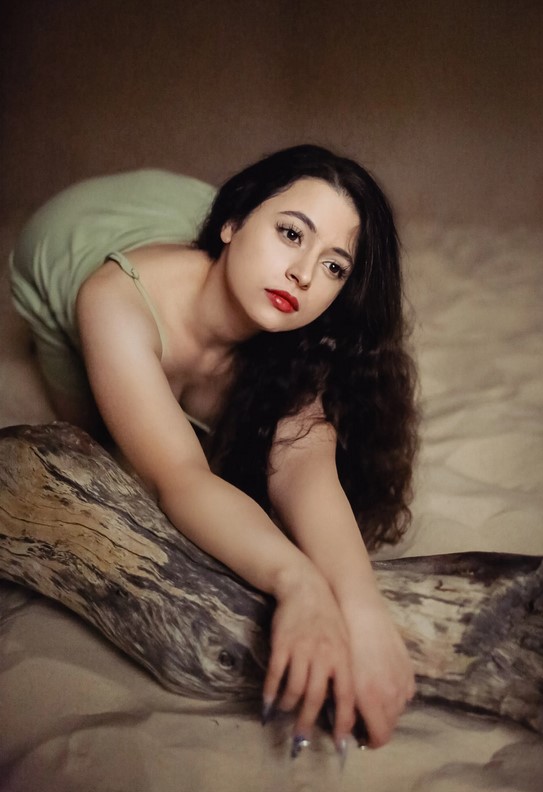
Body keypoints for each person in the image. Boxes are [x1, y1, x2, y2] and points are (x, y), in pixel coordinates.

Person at [10, 144, 419, 758]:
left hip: (198, 221)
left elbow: (306, 472)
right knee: (98, 446)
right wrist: (299, 583)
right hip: (67, 232)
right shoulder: (111, 301)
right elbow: (180, 477)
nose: (304, 274)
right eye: (291, 234)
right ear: (232, 223)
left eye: (335, 266)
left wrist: (362, 611)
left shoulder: (302, 336)